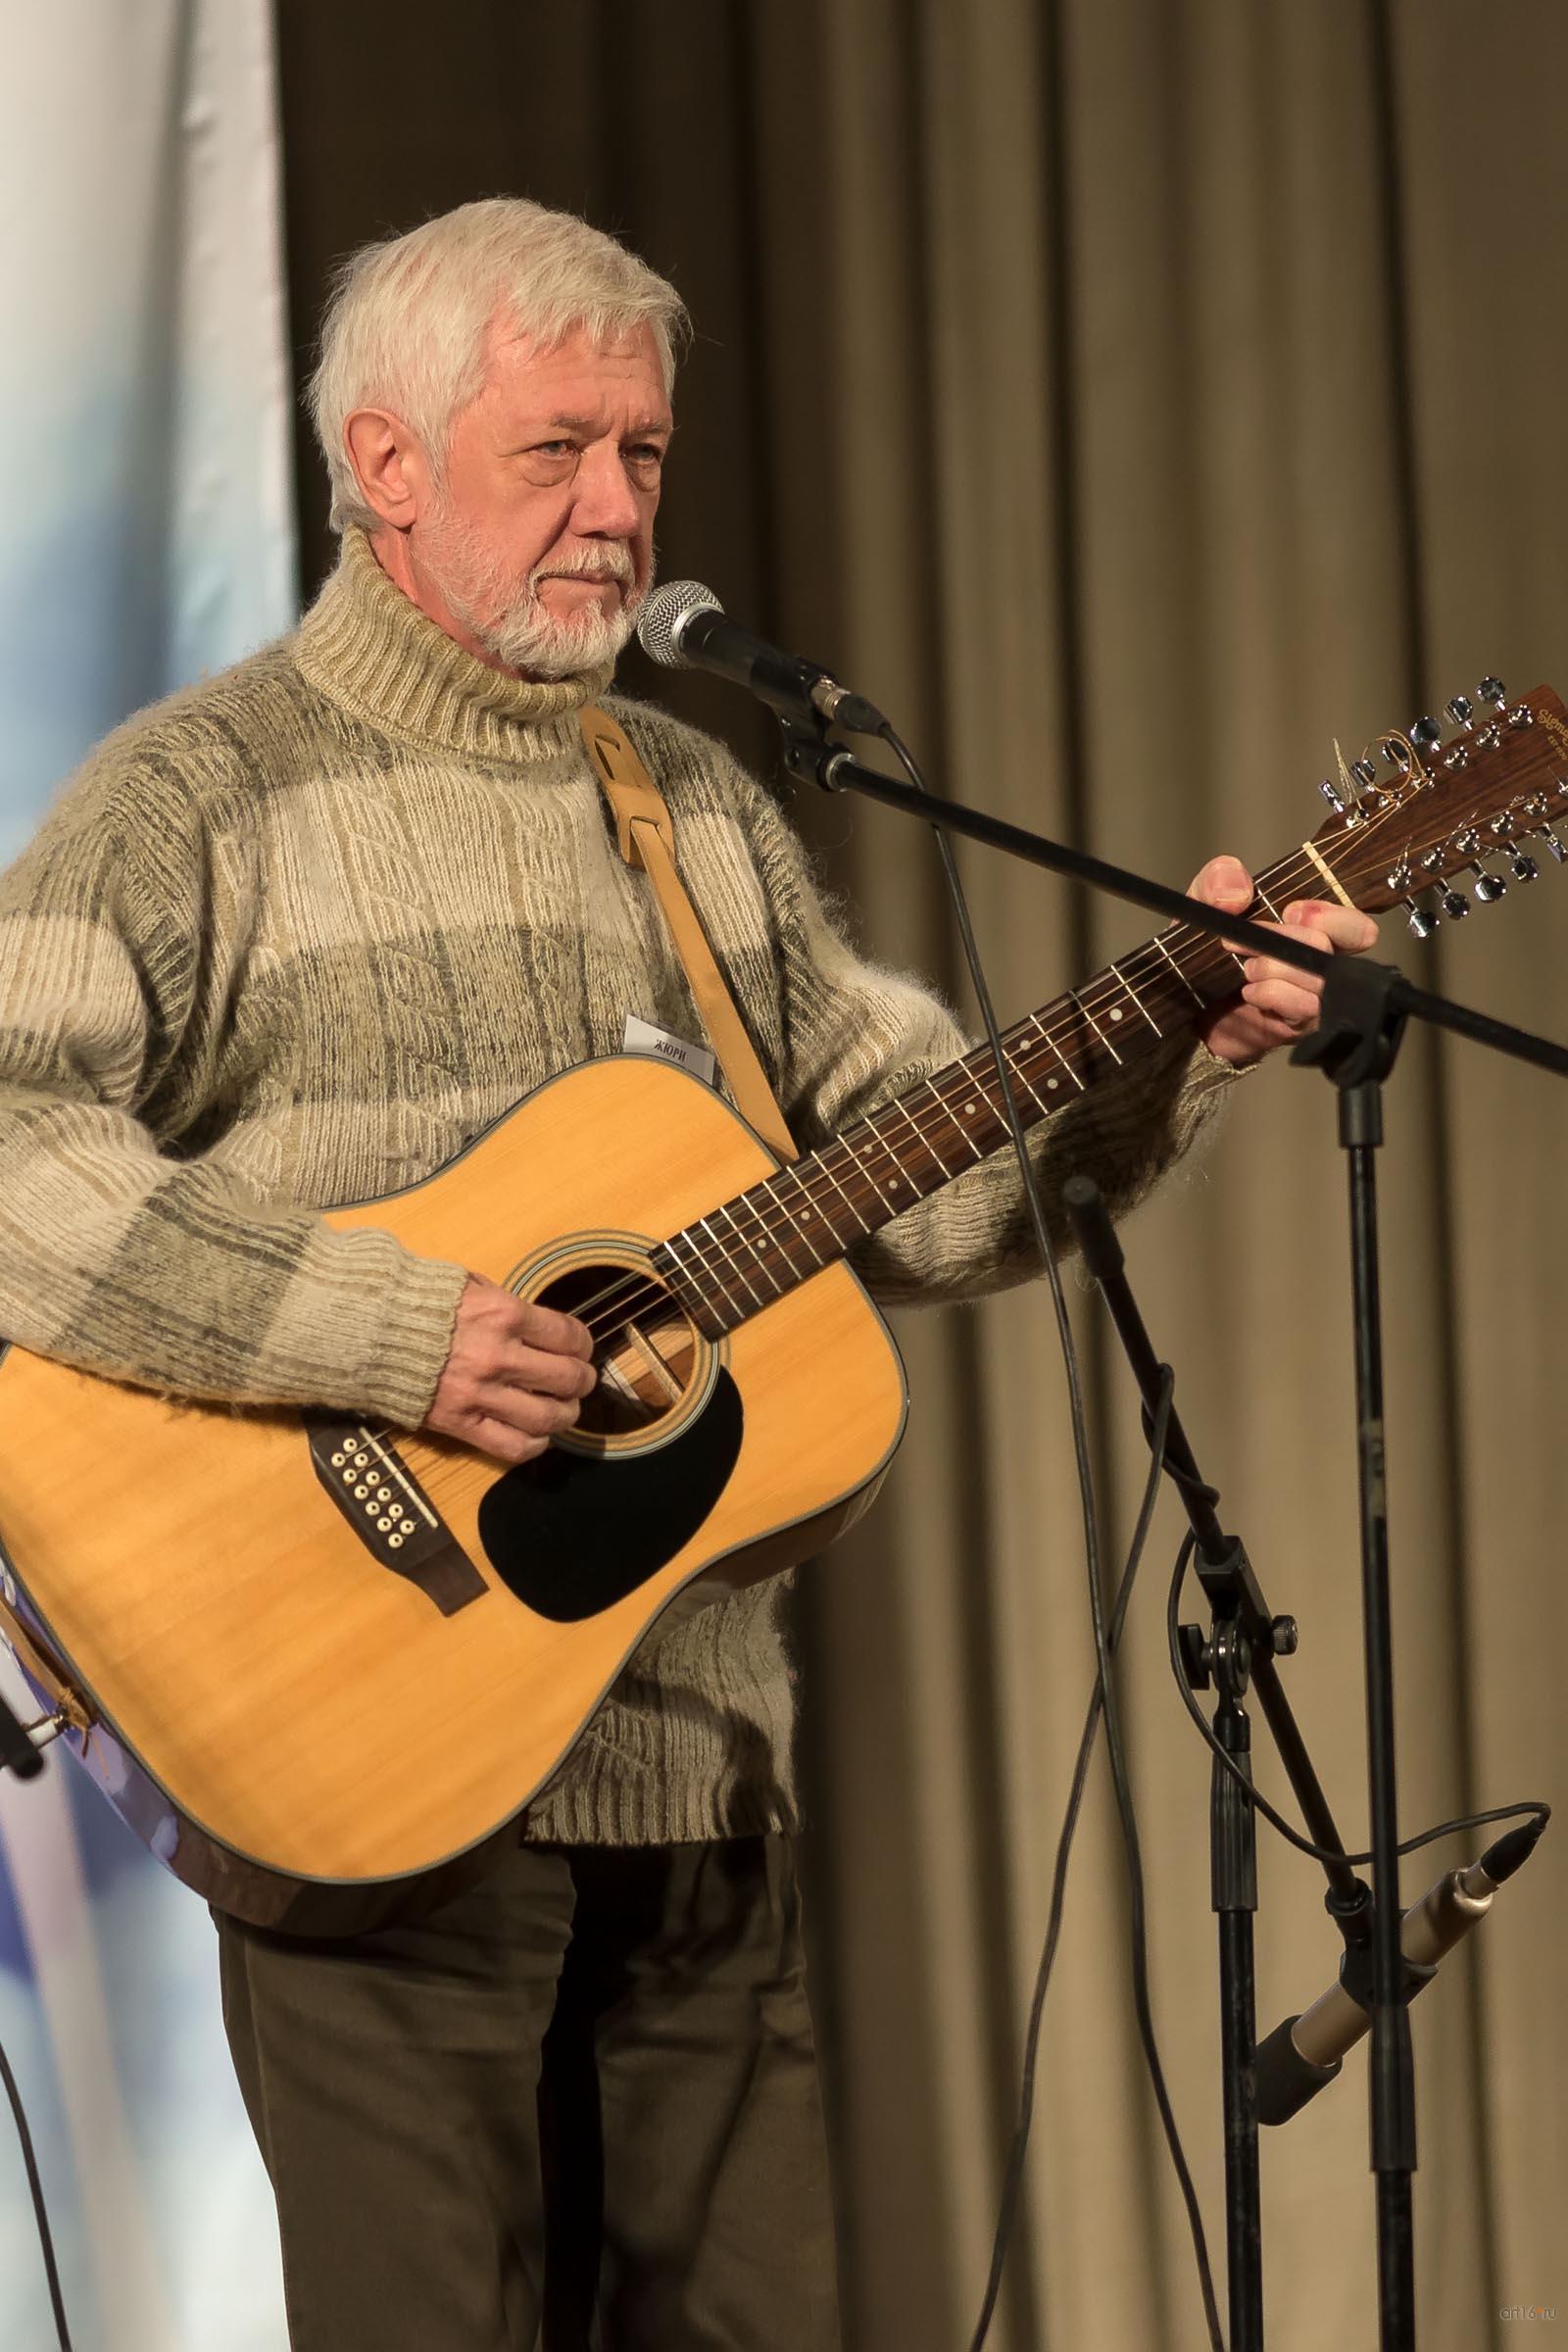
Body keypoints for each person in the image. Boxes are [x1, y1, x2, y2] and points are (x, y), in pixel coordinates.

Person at [0, 198, 1375, 2350]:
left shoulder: (697, 809)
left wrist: (1178, 1036)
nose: (617, 511)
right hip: (360, 1787)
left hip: (697, 1791)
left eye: (640, 456)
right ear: (384, 465)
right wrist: (391, 1333)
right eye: (555, 452)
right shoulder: (195, 799)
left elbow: (915, 1185)